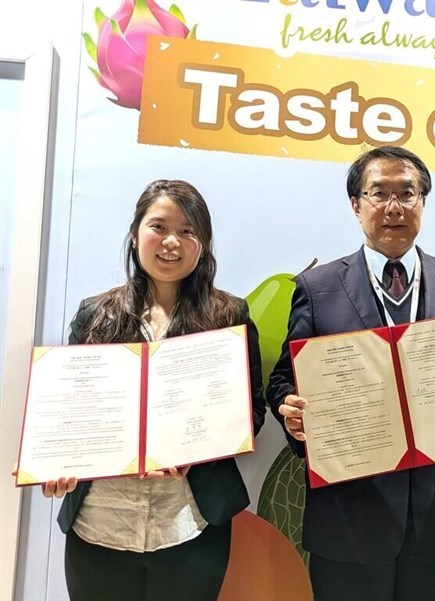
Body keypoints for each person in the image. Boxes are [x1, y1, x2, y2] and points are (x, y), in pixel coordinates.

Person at [267, 145, 435, 601]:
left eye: (407, 194)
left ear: (423, 203)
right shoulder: (316, 288)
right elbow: (284, 378)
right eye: (379, 194)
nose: (394, 207)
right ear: (356, 205)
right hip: (351, 515)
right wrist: (288, 409)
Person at [34, 179, 266, 601]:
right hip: (98, 525)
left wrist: (199, 449)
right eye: (158, 226)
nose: (171, 242)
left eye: (188, 231)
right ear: (136, 232)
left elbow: (251, 410)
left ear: (204, 244)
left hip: (190, 524)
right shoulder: (95, 315)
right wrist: (56, 464)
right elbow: (72, 411)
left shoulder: (228, 315)